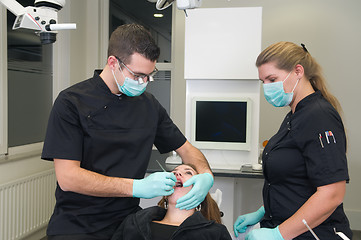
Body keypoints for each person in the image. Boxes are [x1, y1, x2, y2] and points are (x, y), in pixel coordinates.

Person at [41, 23, 214, 239]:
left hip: (129, 224)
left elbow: (187, 149)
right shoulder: (71, 102)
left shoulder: (148, 105)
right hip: (78, 225)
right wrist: (136, 187)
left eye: (149, 76)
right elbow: (68, 177)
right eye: (137, 75)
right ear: (113, 63)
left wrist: (206, 175)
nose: (144, 83)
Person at [233, 42, 352, 240]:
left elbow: (332, 194)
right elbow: (295, 181)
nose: (267, 88)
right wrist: (263, 211)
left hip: (315, 233)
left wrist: (279, 234)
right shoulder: (295, 115)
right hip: (287, 227)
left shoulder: (319, 117)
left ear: (298, 71)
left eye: (272, 79)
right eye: (263, 81)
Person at [111, 164, 232, 240]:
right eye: (173, 173)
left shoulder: (215, 233)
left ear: (200, 191)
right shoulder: (133, 223)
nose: (177, 174)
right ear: (165, 195)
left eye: (188, 172)